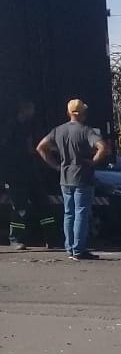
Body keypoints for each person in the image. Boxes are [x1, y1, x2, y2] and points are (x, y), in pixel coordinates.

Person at [36, 99, 108, 261]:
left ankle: (70, 247)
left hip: (65, 177)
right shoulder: (86, 131)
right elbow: (103, 147)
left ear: (68, 112)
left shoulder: (58, 130)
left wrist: (55, 165)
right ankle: (79, 249)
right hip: (82, 176)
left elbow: (41, 147)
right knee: (81, 212)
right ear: (83, 113)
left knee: (68, 213)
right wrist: (93, 162)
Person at [1, 100, 56, 250]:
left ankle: (51, 239)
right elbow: (6, 148)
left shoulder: (31, 126)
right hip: (16, 174)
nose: (33, 112)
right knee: (19, 207)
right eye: (31, 109)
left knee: (44, 204)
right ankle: (15, 239)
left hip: (32, 172)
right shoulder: (11, 127)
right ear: (24, 110)